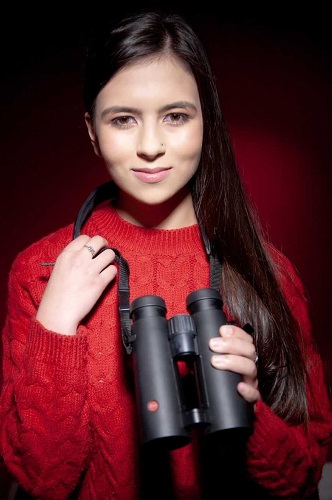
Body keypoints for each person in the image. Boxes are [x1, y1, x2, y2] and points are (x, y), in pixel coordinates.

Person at [0, 9, 331, 500]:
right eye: (123, 120)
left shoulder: (270, 273)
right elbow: (43, 480)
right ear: (92, 130)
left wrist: (250, 409)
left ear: (207, 122)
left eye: (175, 116)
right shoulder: (41, 271)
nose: (150, 146)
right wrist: (57, 324)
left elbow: (304, 474)